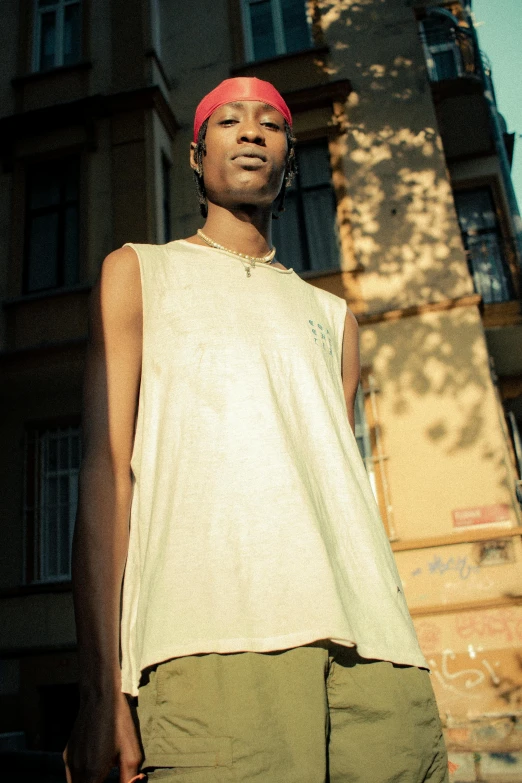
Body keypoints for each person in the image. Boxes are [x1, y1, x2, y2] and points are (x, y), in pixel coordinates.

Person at [63, 77, 449, 783]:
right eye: (230, 120)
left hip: (381, 660)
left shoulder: (336, 320)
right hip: (212, 643)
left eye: (270, 124)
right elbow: (104, 470)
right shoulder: (139, 273)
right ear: (196, 152)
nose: (250, 132)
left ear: (288, 159)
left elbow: (336, 497)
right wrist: (101, 687)